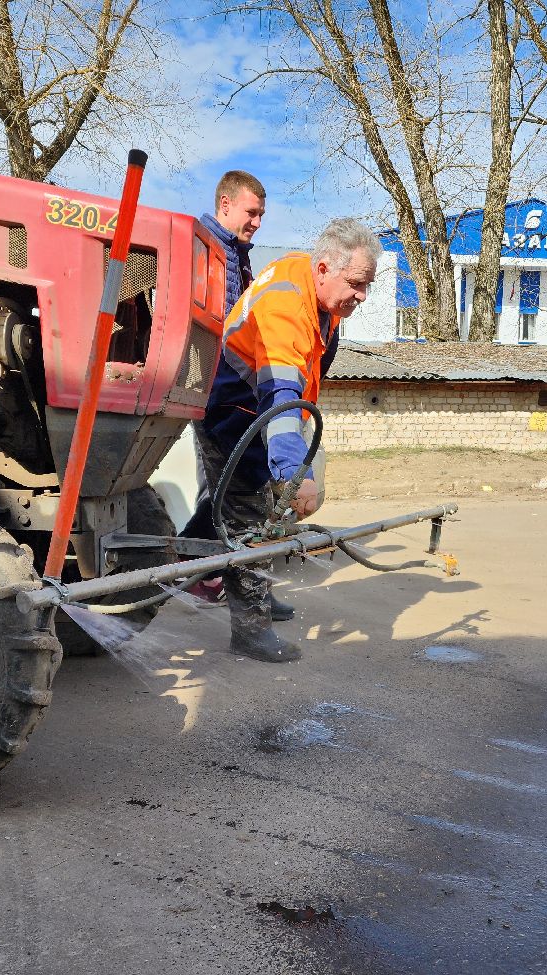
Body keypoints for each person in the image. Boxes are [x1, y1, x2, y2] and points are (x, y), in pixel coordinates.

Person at [180, 218, 380, 663]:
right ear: (325, 268)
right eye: (356, 283)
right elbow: (282, 393)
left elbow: (302, 383)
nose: (363, 295)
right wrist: (294, 472)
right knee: (248, 519)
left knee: (249, 507)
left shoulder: (320, 296)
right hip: (232, 416)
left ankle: (224, 580)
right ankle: (251, 631)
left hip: (257, 416)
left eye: (368, 285)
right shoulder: (286, 304)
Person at [187, 170, 267, 609]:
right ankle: (188, 569)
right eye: (251, 212)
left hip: (227, 391)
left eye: (260, 215)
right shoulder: (204, 250)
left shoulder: (235, 255)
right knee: (227, 494)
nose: (257, 222)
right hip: (212, 392)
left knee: (225, 492)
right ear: (225, 204)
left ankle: (209, 574)